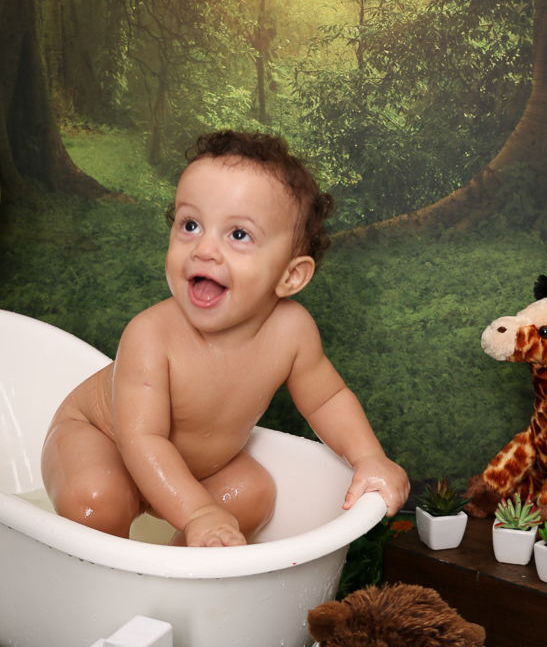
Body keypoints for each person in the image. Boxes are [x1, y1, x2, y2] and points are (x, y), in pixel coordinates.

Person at [42, 130, 409, 547]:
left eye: (238, 235)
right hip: (101, 440)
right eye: (190, 225)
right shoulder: (151, 334)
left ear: (291, 276)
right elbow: (141, 439)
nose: (204, 249)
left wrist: (368, 457)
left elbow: (328, 400)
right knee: (96, 500)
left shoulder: (292, 332)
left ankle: (179, 568)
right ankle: (105, 573)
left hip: (188, 467)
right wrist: (199, 510)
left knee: (251, 495)